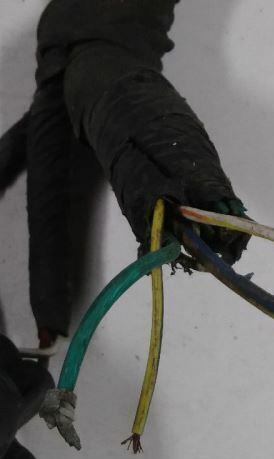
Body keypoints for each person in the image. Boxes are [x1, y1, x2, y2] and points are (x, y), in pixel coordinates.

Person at [0, 0, 250, 347]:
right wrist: (48, 317)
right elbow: (46, 182)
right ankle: (190, 200)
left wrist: (200, 185)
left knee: (112, 92)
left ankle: (195, 201)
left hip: (98, 51)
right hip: (64, 60)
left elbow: (128, 103)